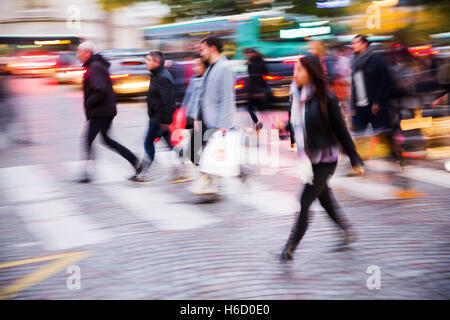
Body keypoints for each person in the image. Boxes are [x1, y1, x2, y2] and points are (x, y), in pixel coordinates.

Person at [280, 55, 364, 262]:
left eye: (299, 70)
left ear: (311, 73)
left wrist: (355, 159)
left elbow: (341, 130)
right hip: (308, 159)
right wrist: (284, 128)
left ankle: (289, 248)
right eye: (295, 69)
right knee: (325, 199)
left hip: (326, 158)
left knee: (305, 200)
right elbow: (296, 123)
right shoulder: (295, 94)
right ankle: (346, 231)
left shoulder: (327, 98)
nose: (295, 74)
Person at [77, 41, 141, 183]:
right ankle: (135, 161)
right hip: (104, 110)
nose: (78, 55)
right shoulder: (96, 66)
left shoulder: (94, 67)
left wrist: (88, 104)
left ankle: (87, 172)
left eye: (79, 52)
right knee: (106, 140)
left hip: (100, 111)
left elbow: (99, 89)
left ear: (88, 53)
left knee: (88, 140)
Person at [190, 35, 237, 194]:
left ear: (213, 48)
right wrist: (197, 117)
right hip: (206, 119)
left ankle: (208, 183)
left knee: (208, 154)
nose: (201, 53)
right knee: (202, 153)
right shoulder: (211, 67)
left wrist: (223, 126)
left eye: (203, 49)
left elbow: (226, 99)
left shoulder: (224, 68)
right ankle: (210, 183)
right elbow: (203, 95)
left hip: (217, 122)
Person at [130, 51, 177, 182]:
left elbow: (168, 101)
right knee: (169, 143)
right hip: (158, 118)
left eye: (148, 59)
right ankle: (184, 165)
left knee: (148, 143)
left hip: (159, 119)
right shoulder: (157, 74)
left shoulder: (162, 77)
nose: (145, 61)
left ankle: (143, 172)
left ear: (156, 62)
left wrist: (165, 121)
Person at [181, 56, 210, 165]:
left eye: (198, 65)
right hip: (193, 119)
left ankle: (208, 171)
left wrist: (198, 119)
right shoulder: (194, 79)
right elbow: (189, 98)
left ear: (205, 67)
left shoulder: (207, 81)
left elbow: (203, 103)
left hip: (202, 120)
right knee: (194, 153)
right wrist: (184, 113)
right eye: (194, 65)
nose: (195, 68)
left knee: (193, 153)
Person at [243, 48, 270, 131]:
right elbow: (265, 72)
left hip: (254, 89)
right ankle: (260, 122)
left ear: (250, 53)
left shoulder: (253, 62)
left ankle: (258, 122)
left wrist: (250, 64)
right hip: (260, 88)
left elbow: (252, 76)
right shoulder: (260, 60)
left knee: (249, 107)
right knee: (260, 109)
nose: (246, 56)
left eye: (246, 54)